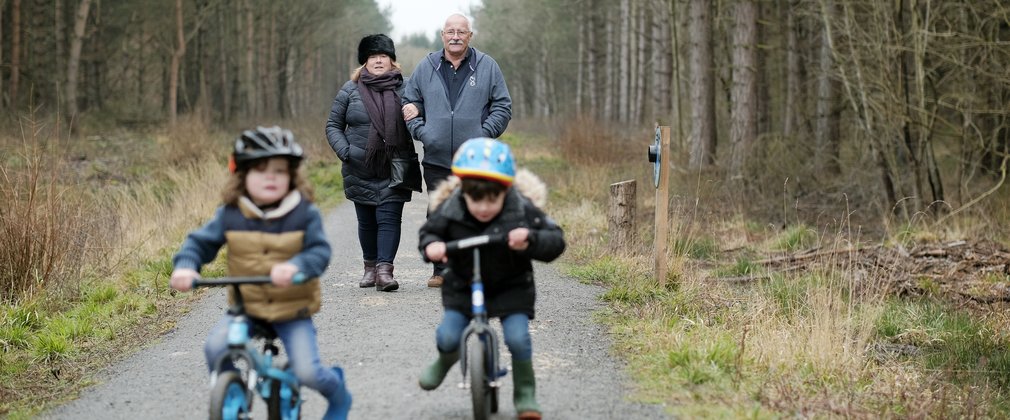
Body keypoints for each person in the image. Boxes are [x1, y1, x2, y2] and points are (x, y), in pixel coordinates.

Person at [169, 127, 352, 420]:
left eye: (279, 171)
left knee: (308, 372)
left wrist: (296, 267)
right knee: (216, 347)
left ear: (292, 176)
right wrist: (186, 265)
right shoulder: (230, 213)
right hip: (248, 306)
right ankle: (232, 390)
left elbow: (319, 252)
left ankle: (338, 393)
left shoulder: (304, 213)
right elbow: (199, 242)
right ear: (242, 176)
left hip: (292, 308)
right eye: (260, 170)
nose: (271, 177)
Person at [416, 138, 564, 420]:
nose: (483, 207)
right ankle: (445, 360)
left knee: (518, 338)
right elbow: (429, 233)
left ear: (505, 191)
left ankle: (525, 392)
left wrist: (530, 239)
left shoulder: (520, 209)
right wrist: (431, 246)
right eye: (475, 199)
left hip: (511, 286)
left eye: (492, 199)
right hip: (463, 285)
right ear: (463, 192)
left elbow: (555, 240)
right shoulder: (451, 208)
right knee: (448, 336)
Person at [402, 13, 513, 288]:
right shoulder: (426, 66)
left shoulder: (487, 66)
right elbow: (409, 102)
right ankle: (441, 269)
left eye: (461, 32)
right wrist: (423, 133)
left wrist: (483, 134)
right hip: (437, 157)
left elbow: (503, 106)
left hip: (476, 159)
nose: (455, 36)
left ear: (469, 36)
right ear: (442, 35)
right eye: (450, 31)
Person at [326, 33, 418, 292]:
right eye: (372, 57)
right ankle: (369, 267)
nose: (378, 61)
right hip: (359, 166)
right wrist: (346, 151)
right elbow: (333, 125)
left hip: (395, 165)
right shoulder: (350, 89)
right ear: (364, 62)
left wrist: (417, 111)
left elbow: (422, 115)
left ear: (392, 61)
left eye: (383, 56)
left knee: (389, 218)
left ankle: (385, 271)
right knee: (366, 221)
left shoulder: (407, 88)